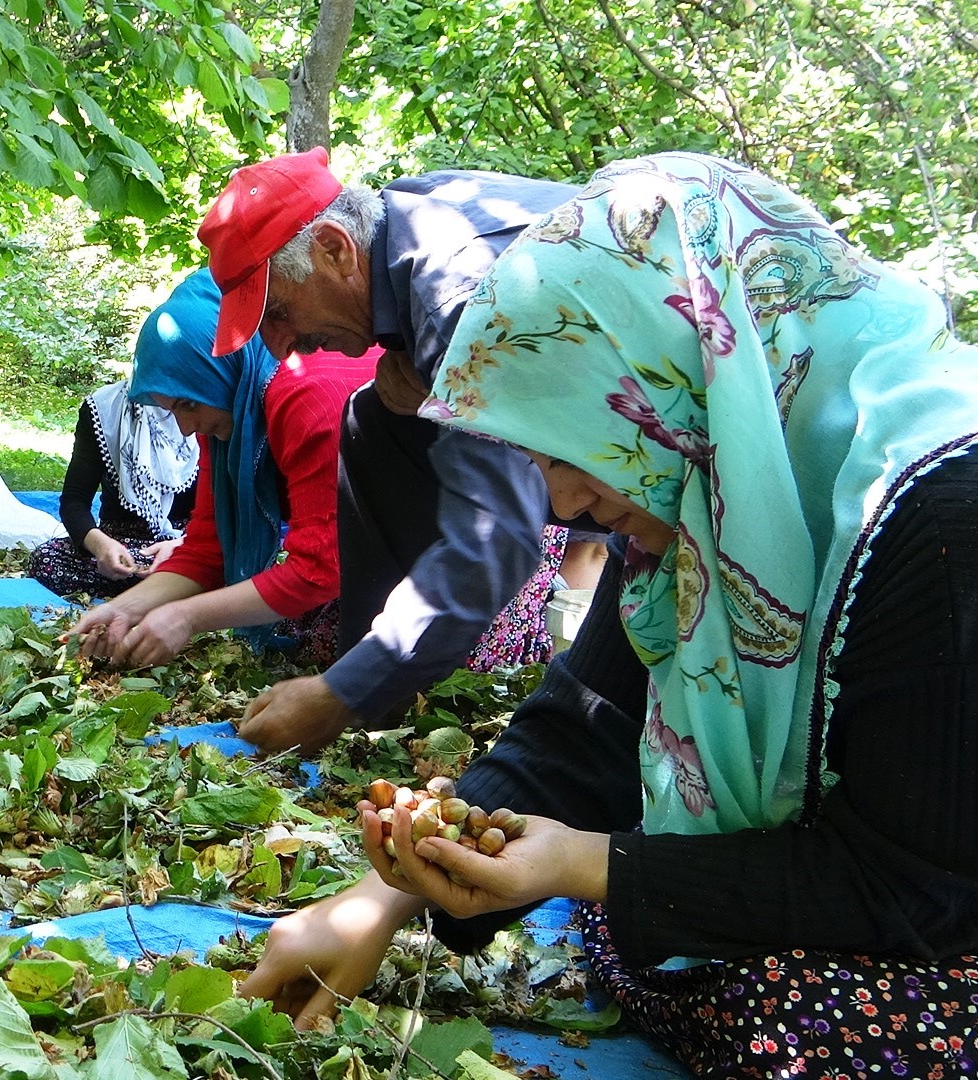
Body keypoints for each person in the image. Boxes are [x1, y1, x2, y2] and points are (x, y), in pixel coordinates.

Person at [240, 152, 978, 1078]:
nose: (562, 501)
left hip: (930, 910)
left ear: (669, 369)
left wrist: (586, 866)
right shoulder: (705, 495)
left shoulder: (938, 514)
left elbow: (922, 890)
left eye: (573, 442)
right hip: (839, 884)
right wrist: (382, 900)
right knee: (642, 930)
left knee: (792, 1020)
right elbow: (586, 724)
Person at [200, 149, 583, 754]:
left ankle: (360, 693)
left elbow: (497, 535)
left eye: (276, 313)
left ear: (334, 248)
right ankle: (374, 701)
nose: (277, 345)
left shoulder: (453, 294)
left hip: (705, 423)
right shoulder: (409, 216)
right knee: (370, 413)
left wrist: (340, 693)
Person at [69, 270, 375, 666]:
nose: (183, 427)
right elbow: (207, 547)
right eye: (172, 410)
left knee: (341, 654)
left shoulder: (308, 398)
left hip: (433, 554)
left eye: (187, 406)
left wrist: (186, 617)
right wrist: (125, 610)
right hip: (362, 555)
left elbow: (319, 567)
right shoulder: (229, 409)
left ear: (218, 367)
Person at [26, 379, 199, 599]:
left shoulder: (204, 407)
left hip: (191, 542)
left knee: (224, 568)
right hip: (121, 543)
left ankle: (166, 588)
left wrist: (181, 545)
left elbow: (225, 516)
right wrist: (101, 546)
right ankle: (166, 590)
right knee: (46, 560)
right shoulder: (105, 409)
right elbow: (74, 501)